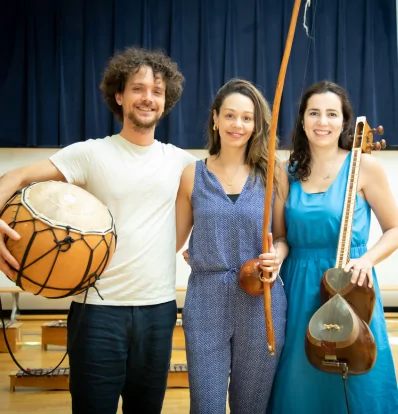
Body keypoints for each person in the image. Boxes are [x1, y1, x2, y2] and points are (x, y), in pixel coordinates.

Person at [0, 47, 196, 414]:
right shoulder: (90, 154)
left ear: (166, 99)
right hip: (97, 313)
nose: (148, 98)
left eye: (156, 90)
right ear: (119, 95)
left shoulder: (182, 162)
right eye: (138, 88)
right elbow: (16, 176)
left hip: (158, 310)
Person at [267, 80, 398, 413]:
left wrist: (367, 259)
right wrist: (275, 256)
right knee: (300, 386)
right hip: (299, 290)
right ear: (302, 120)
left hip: (351, 287)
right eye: (313, 113)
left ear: (344, 121)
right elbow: (282, 238)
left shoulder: (365, 168)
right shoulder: (286, 173)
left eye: (330, 114)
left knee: (356, 386)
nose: (321, 121)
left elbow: (395, 229)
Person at [176, 78, 289, 414]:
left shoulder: (272, 173)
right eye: (229, 115)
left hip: (262, 300)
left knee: (251, 406)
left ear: (256, 125)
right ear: (215, 118)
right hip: (205, 300)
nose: (237, 125)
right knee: (206, 404)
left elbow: (282, 237)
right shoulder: (191, 174)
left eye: (246, 117)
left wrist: (277, 256)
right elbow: (175, 239)